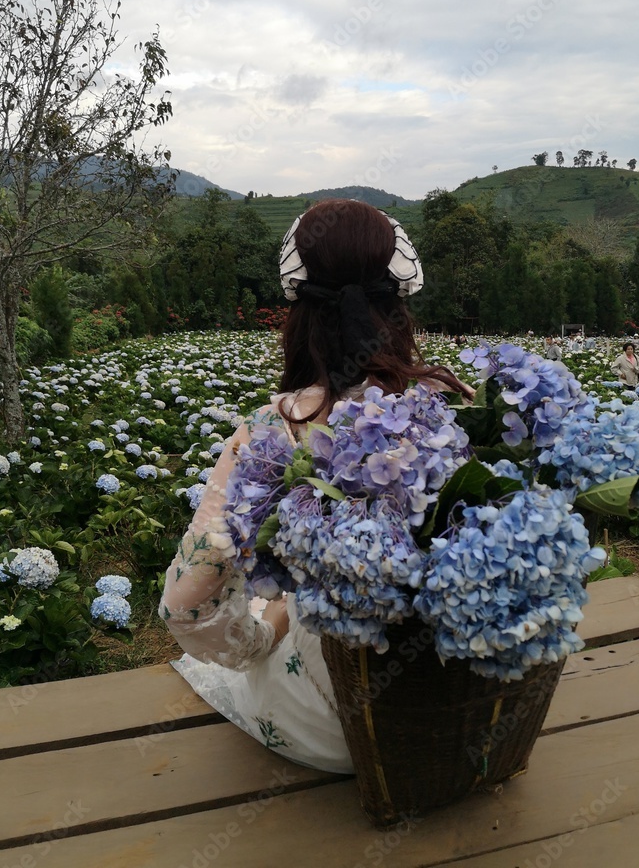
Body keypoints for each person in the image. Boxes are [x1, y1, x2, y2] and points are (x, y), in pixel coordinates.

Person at [158, 199, 472, 773]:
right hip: (462, 712)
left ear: (298, 313)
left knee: (270, 602)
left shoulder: (271, 432)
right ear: (399, 304)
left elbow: (186, 606)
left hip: (335, 729)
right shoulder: (459, 409)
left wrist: (266, 633)